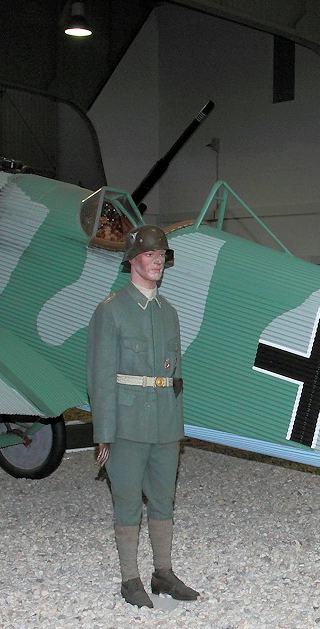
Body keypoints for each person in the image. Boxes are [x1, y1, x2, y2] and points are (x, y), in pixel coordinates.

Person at [87, 225, 199, 608]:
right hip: (128, 423)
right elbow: (100, 377)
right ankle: (129, 578)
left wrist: (177, 423)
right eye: (149, 255)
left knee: (164, 500)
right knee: (127, 502)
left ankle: (163, 573)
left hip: (165, 422)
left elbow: (175, 373)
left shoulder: (169, 312)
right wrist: (104, 432)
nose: (157, 263)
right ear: (132, 259)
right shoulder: (112, 310)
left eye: (161, 256)